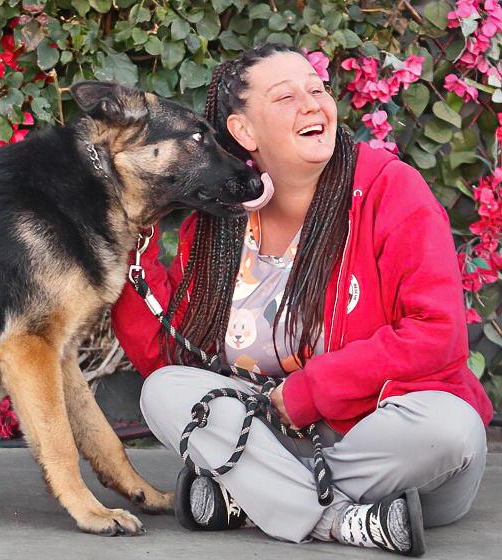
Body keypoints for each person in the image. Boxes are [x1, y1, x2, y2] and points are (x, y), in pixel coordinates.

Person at [110, 43, 493, 556]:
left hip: (390, 454)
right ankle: (338, 522)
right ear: (245, 132)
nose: (313, 104)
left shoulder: (390, 190)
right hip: (273, 440)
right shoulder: (219, 226)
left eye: (317, 89)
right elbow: (172, 353)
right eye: (287, 96)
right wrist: (134, 232)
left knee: (452, 427)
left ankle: (253, 499)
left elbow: (436, 333)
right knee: (164, 389)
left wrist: (308, 392)